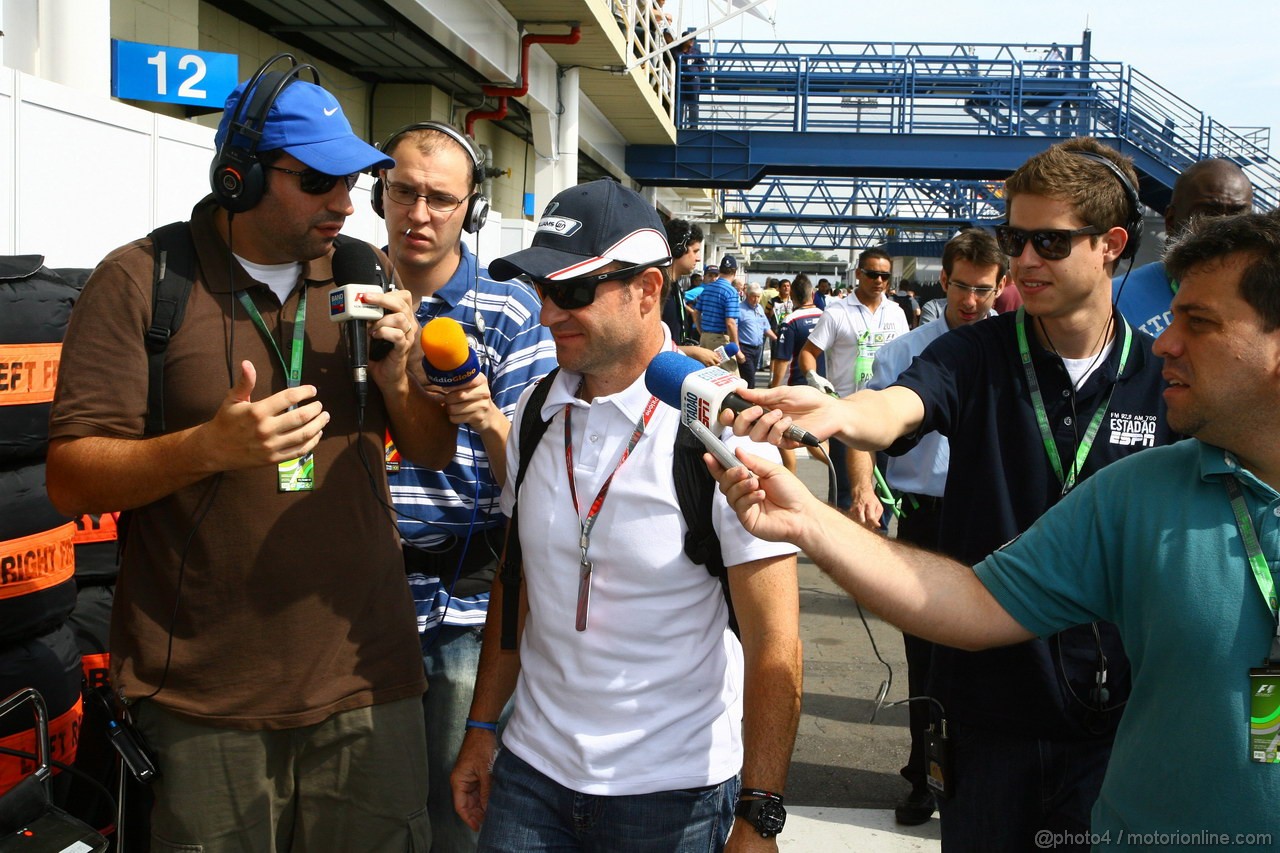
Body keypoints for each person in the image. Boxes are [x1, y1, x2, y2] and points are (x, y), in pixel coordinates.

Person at [709, 209, 1280, 851]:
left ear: (1109, 246)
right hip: (996, 708)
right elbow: (972, 600)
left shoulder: (1142, 384)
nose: (1169, 342)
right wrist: (812, 513)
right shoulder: (1138, 492)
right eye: (1016, 240)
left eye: (1199, 323)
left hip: (1098, 712)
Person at [46, 66, 454, 850]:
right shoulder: (142, 281)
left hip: (368, 684)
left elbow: (432, 450)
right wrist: (207, 448)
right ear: (239, 176)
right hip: (205, 702)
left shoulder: (368, 270)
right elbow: (70, 477)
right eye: (317, 181)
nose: (344, 201)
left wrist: (402, 373)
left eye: (353, 180)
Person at [450, 179, 802, 852]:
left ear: (647, 290)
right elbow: (515, 584)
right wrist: (481, 729)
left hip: (672, 794)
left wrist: (759, 819)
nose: (549, 312)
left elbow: (776, 644)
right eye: (540, 290)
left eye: (572, 291)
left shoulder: (724, 429)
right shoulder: (532, 409)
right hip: (531, 773)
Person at [376, 121, 557, 852]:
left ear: (470, 209)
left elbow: (540, 478)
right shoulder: (343, 292)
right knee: (367, 816)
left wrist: (483, 416)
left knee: (458, 818)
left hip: (463, 611)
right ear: (379, 194)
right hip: (353, 604)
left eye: (440, 199)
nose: (418, 214)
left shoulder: (510, 311)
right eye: (403, 192)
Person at [856, 229, 1007, 826]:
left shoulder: (1017, 355)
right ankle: (923, 776)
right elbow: (864, 427)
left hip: (995, 517)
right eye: (962, 288)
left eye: (985, 290)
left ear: (1003, 287)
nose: (972, 302)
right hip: (925, 516)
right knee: (926, 660)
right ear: (943, 282)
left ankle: (981, 777)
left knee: (993, 656)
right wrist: (864, 488)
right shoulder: (904, 354)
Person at [800, 248, 909, 519]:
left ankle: (879, 541)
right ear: (859, 274)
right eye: (872, 274)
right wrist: (815, 379)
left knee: (887, 490)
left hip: (887, 411)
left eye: (885, 275)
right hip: (847, 412)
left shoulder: (896, 313)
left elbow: (908, 356)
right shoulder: (837, 313)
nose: (879, 281)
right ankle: (841, 545)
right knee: (847, 492)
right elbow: (808, 353)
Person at [1113, 158, 1253, 338]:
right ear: (1171, 221)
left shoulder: (1267, 300)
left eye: (1238, 216)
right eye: (1208, 215)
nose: (1225, 229)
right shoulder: (1115, 300)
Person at [769, 275, 824, 475]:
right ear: (813, 294)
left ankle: (790, 477)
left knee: (784, 435)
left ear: (791, 295)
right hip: (823, 387)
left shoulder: (790, 321)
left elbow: (783, 360)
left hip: (796, 389)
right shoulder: (826, 316)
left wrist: (773, 390)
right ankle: (839, 466)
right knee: (812, 437)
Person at [696, 254, 745, 369]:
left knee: (708, 376)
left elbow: (695, 312)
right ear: (734, 271)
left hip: (705, 338)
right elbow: (730, 322)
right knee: (730, 380)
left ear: (720, 270)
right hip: (721, 341)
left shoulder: (707, 288)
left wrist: (701, 331)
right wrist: (737, 350)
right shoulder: (731, 292)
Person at [737, 282, 776, 389]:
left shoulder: (759, 308)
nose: (756, 299)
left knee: (751, 375)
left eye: (758, 297)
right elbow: (733, 329)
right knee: (749, 379)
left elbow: (765, 327)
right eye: (753, 296)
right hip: (745, 348)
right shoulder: (739, 309)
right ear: (747, 295)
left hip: (757, 349)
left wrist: (776, 339)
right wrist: (738, 350)